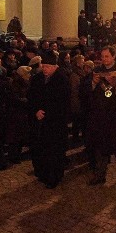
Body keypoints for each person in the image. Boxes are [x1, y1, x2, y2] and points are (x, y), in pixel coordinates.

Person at [85, 46, 116, 185]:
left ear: (113, 56)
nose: (104, 59)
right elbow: (86, 91)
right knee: (101, 146)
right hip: (100, 115)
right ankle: (100, 175)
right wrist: (93, 84)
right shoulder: (97, 71)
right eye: (103, 56)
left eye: (107, 56)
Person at [27, 52, 70, 188]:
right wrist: (36, 111)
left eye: (47, 67)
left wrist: (46, 113)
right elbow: (31, 97)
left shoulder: (61, 79)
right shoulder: (37, 78)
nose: (44, 69)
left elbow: (61, 103)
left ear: (55, 66)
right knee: (41, 149)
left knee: (54, 151)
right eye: (43, 66)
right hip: (39, 121)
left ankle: (54, 177)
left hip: (55, 122)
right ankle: (42, 173)